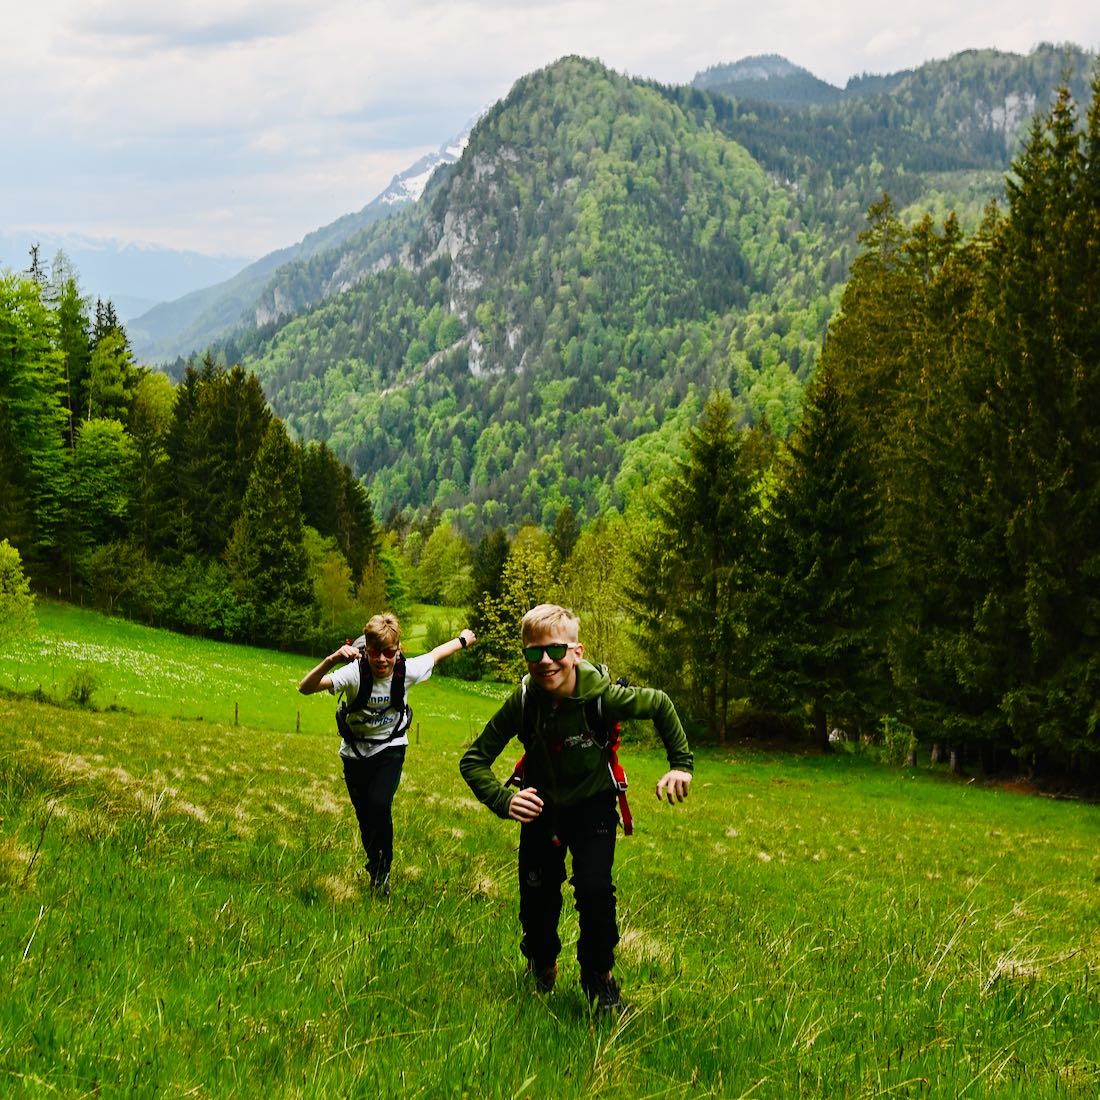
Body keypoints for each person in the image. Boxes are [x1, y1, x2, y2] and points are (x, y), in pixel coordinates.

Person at [459, 604, 692, 1011]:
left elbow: (659, 703)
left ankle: (598, 977)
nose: (545, 662)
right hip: (540, 810)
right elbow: (473, 760)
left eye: (556, 651)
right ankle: (542, 961)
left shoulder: (602, 698)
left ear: (577, 651)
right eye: (534, 653)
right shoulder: (524, 702)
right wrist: (506, 800)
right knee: (537, 901)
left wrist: (680, 766)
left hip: (594, 808)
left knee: (595, 891)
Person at [299, 613, 475, 897]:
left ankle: (382, 873)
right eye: (375, 652)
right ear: (365, 650)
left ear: (399, 650)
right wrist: (332, 659)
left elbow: (437, 653)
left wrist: (463, 640)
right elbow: (305, 688)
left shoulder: (408, 670)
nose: (382, 659)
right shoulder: (354, 672)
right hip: (354, 753)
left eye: (389, 653)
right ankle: (375, 864)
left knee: (379, 805)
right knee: (365, 816)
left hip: (390, 748)